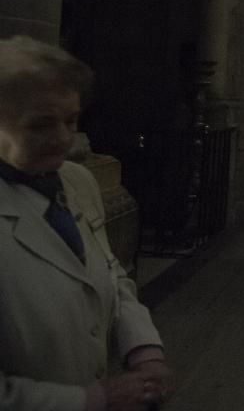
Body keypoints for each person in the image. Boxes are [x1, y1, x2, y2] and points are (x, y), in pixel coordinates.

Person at [0, 35, 173, 411]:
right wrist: (91, 400)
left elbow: (110, 273)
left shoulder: (77, 181)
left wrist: (144, 349)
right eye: (42, 124)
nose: (64, 138)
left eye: (71, 120)